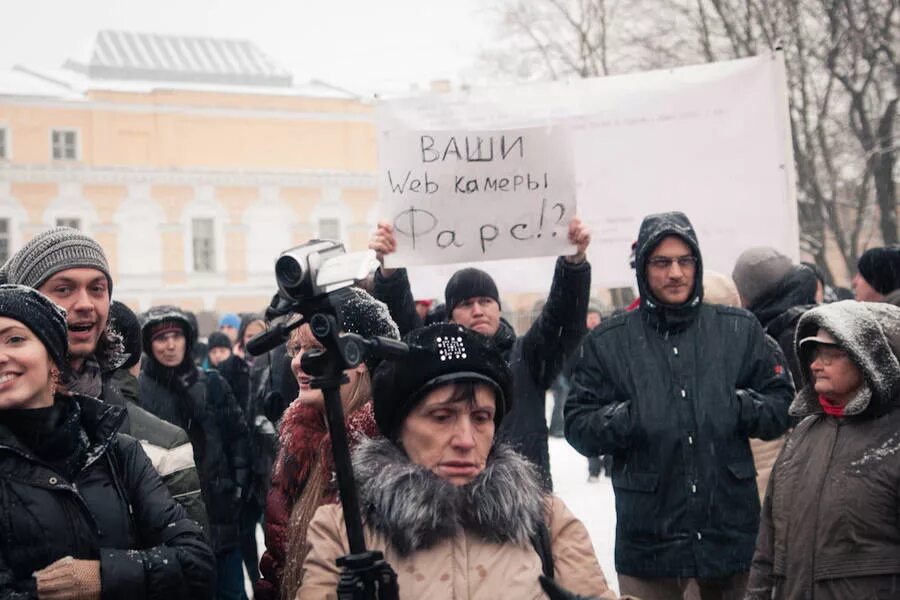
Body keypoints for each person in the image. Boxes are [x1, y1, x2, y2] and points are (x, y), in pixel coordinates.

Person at [297, 323, 619, 600]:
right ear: (399, 428)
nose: (465, 440)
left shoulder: (547, 521)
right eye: (441, 416)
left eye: (481, 417)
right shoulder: (342, 531)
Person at [566, 211, 794, 600]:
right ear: (642, 268)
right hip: (650, 545)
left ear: (697, 265)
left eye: (684, 261)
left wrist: (735, 406)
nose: (675, 273)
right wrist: (631, 417)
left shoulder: (737, 329)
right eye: (662, 262)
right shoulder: (610, 341)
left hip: (729, 538)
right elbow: (577, 423)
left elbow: (782, 404)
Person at [0, 284, 214, 598]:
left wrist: (104, 576)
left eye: (14, 339)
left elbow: (197, 563)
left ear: (54, 359)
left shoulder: (117, 450)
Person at [0, 227, 205, 523]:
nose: (85, 303)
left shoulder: (160, 443)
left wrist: (102, 569)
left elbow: (192, 560)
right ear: (25, 306)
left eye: (97, 289)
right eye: (64, 289)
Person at [369, 218, 592, 489]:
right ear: (450, 316)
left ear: (498, 308)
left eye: (486, 301)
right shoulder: (433, 362)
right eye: (466, 304)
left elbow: (562, 319)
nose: (478, 310)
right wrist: (390, 273)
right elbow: (402, 323)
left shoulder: (528, 357)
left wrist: (574, 265)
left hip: (521, 504)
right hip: (445, 501)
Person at [747, 301, 900, 599]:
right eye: (815, 352)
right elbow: (766, 551)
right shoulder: (804, 434)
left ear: (871, 359)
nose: (816, 364)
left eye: (832, 353)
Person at [255, 288, 400, 600]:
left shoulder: (386, 451)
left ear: (357, 357)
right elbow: (276, 565)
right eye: (295, 349)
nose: (298, 362)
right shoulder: (299, 439)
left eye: (315, 348)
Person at [139, 305, 252, 600]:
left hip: (221, 511)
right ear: (149, 345)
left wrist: (238, 486)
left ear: (188, 339)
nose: (170, 345)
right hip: (171, 518)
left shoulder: (211, 383)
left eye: (176, 336)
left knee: (232, 593)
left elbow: (237, 436)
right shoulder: (140, 393)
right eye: (161, 338)